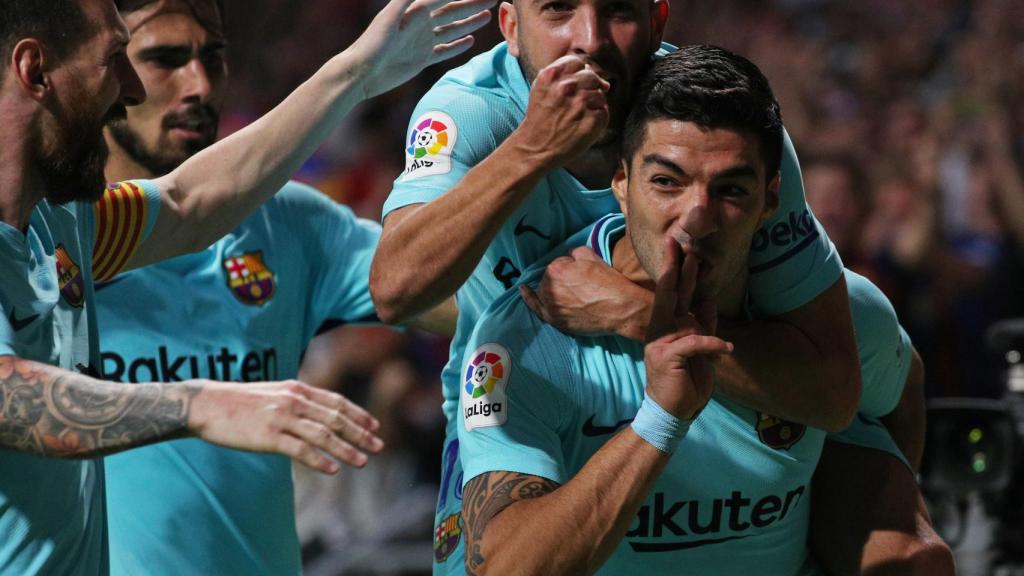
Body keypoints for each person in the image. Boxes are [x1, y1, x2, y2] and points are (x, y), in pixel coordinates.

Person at [0, 0, 492, 573]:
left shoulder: (64, 223)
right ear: (35, 71)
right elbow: (9, 398)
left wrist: (357, 70)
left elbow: (190, 201)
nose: (129, 90)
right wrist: (202, 402)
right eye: (115, 59)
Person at [369, 1, 862, 571]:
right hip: (516, 415)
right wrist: (531, 148)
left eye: (619, 11)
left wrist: (632, 311)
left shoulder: (719, 124)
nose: (589, 40)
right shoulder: (471, 112)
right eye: (557, 9)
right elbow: (395, 291)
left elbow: (838, 380)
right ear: (509, 26)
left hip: (696, 410)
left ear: (658, 22)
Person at [455, 45, 952, 575]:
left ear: (770, 198)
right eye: (666, 181)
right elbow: (503, 568)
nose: (696, 217)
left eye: (731, 189)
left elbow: (904, 385)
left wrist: (876, 513)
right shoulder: (529, 335)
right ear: (620, 182)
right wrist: (661, 420)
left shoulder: (836, 319)